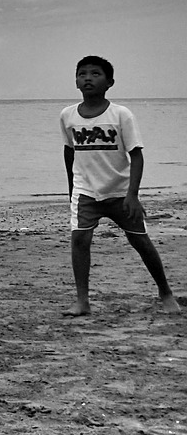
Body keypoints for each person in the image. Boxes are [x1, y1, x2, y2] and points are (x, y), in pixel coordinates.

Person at [60, 55, 179, 317]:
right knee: (80, 239)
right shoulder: (67, 115)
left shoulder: (121, 115)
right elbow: (70, 152)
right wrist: (72, 189)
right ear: (76, 81)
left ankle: (166, 293)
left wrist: (133, 195)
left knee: (140, 241)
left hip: (120, 192)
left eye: (95, 73)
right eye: (82, 74)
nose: (88, 78)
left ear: (110, 82)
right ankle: (82, 301)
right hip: (86, 191)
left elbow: (136, 154)